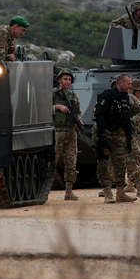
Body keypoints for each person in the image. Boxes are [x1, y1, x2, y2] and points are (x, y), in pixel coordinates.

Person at [94, 74, 138, 203]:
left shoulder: (125, 97)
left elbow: (126, 118)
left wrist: (129, 137)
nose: (130, 86)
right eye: (128, 83)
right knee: (104, 164)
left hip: (119, 135)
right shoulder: (106, 96)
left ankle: (120, 193)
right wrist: (102, 135)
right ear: (120, 83)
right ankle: (107, 192)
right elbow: (99, 115)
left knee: (120, 163)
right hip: (106, 133)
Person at [53, 69, 82, 201]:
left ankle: (69, 192)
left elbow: (78, 111)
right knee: (52, 161)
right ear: (59, 80)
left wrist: (78, 121)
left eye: (69, 79)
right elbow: (42, 109)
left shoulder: (73, 95)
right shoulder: (53, 94)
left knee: (71, 162)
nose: (67, 82)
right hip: (57, 131)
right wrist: (57, 107)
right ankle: (44, 189)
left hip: (71, 132)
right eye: (65, 79)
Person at [124, 82, 140, 197]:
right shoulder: (109, 97)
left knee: (134, 159)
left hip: (129, 134)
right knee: (113, 162)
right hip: (114, 134)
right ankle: (111, 189)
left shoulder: (131, 99)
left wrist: (131, 123)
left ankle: (139, 187)